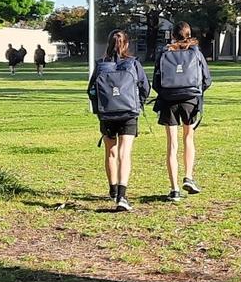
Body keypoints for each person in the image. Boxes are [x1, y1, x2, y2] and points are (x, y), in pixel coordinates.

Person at [90, 30, 150, 211]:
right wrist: (138, 104)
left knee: (111, 152)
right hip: (128, 113)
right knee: (125, 153)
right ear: (126, 44)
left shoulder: (100, 65)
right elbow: (145, 87)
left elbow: (91, 91)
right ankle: (122, 196)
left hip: (107, 114)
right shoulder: (133, 63)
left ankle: (113, 188)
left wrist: (99, 111)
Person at [152, 22, 211, 202]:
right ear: (189, 34)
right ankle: (188, 177)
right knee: (188, 138)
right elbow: (207, 79)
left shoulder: (164, 53)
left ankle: (174, 189)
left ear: (172, 35)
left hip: (168, 99)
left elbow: (156, 81)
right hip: (190, 100)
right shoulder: (195, 53)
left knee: (172, 144)